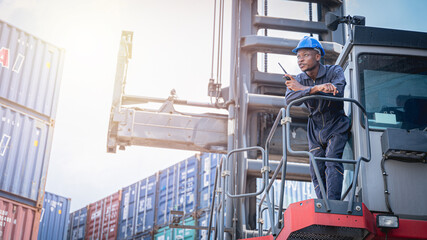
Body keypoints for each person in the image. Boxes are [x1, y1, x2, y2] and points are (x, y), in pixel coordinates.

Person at [284, 36, 351, 200]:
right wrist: (316, 88)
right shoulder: (298, 79)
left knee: (332, 160)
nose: (300, 60)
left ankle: (333, 204)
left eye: (305, 55)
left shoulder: (334, 71)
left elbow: (338, 91)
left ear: (318, 56)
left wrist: (303, 89)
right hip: (315, 128)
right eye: (298, 56)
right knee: (316, 168)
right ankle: (324, 206)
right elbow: (289, 99)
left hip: (336, 124)